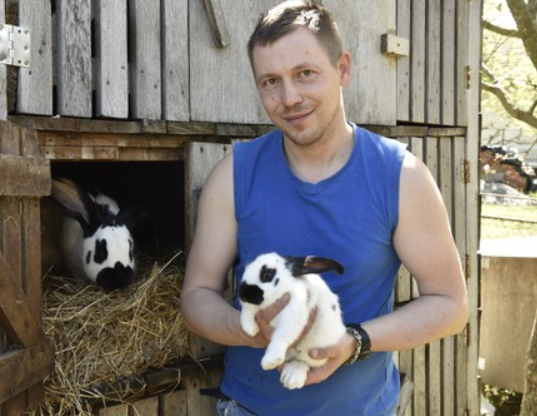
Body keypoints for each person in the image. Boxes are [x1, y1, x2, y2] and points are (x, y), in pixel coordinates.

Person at [180, 1, 469, 415]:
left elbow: (450, 305)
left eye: (305, 74)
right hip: (249, 408)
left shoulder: (400, 175)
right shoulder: (234, 175)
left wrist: (354, 341)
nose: (289, 97)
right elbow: (196, 295)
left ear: (343, 69)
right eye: (270, 82)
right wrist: (250, 330)